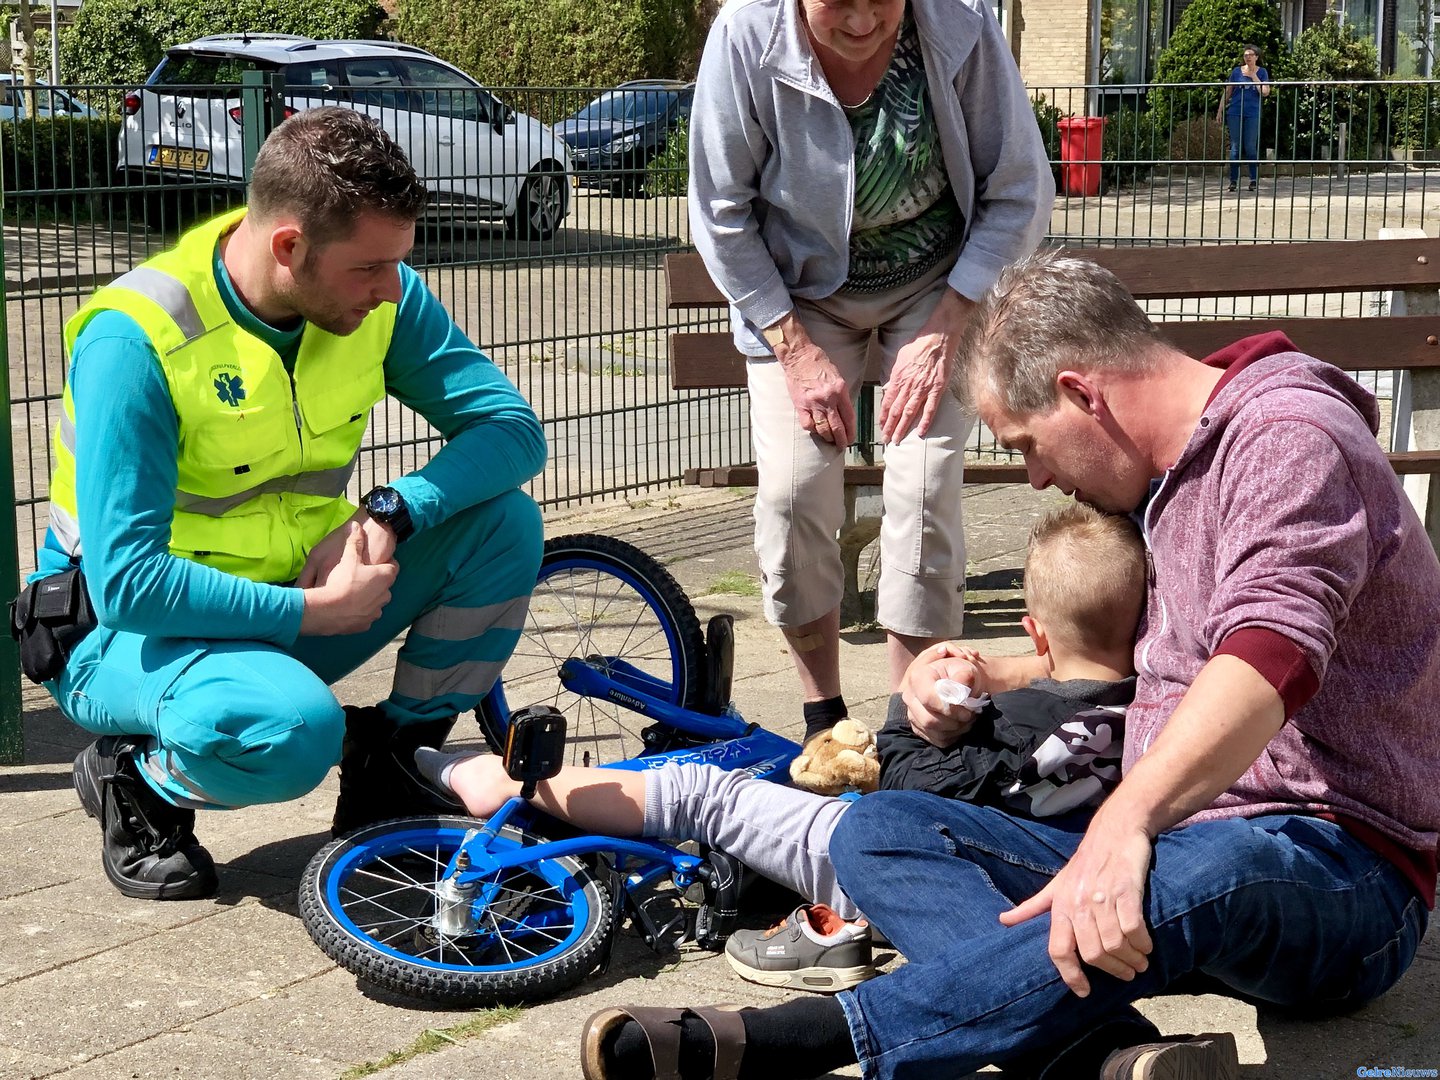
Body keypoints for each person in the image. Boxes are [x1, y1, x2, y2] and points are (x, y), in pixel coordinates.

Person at [577, 248, 1440, 1080]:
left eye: (1026, 443)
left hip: (1339, 875)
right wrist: (983, 673)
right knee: (884, 828)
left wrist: (1124, 824)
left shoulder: (1288, 441)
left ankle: (787, 1046)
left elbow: (1267, 661)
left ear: (1080, 395)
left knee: (1216, 866)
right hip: (1181, 845)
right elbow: (1147, 661)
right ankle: (1101, 1058)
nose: (1032, 478)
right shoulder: (1164, 474)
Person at [24, 107, 546, 902]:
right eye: (369, 268)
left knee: (503, 522)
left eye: (397, 264)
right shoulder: (137, 341)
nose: (390, 289)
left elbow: (511, 431)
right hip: (124, 632)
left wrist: (389, 510)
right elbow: (129, 582)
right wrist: (312, 616)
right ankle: (140, 779)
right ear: (289, 247)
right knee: (296, 733)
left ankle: (393, 772)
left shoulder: (384, 297)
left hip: (289, 601)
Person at [418, 501, 1144, 992]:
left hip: (912, 872)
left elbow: (906, 793)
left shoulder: (1011, 726)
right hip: (1053, 877)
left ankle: (503, 783)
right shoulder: (1157, 706)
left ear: (1035, 630)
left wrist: (911, 719)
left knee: (709, 793)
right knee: (773, 774)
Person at [687, 0, 1053, 758]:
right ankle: (824, 724)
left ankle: (907, 729)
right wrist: (791, 347)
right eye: (838, 0)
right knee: (792, 496)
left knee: (923, 495)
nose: (861, 19)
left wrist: (950, 322)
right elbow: (720, 212)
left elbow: (1019, 189)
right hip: (799, 299)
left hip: (940, 292)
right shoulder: (746, 37)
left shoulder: (961, 26)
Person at [1217, 44, 1270, 193]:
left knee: (1250, 146)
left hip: (1252, 112)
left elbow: (1265, 92)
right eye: (1245, 55)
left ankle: (1253, 179)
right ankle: (1233, 180)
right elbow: (1228, 91)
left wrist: (1253, 77)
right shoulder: (1236, 72)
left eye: (1250, 55)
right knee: (1235, 147)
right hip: (1235, 111)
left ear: (1256, 57)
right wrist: (1220, 109)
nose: (1247, 57)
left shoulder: (1262, 72)